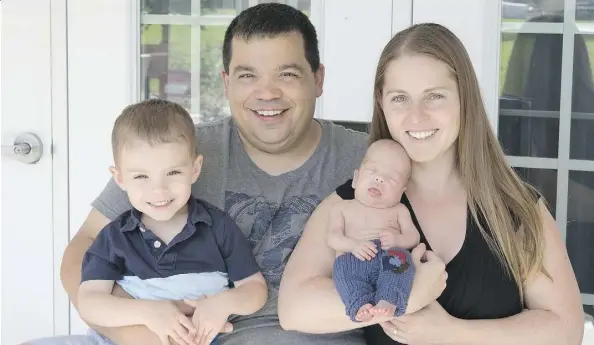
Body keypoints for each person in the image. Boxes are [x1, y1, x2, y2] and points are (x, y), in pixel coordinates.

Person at [21, 3, 434, 345]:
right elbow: (84, 249)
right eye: (247, 76)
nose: (267, 93)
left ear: (318, 79)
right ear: (225, 82)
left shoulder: (370, 161)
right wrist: (135, 332)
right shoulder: (177, 154)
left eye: (287, 75)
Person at [278, 23, 585, 345]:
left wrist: (450, 332)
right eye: (400, 99)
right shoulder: (356, 200)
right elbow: (295, 308)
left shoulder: (515, 207)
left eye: (434, 96)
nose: (417, 117)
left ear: (464, 98)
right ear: (381, 102)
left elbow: (565, 330)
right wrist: (407, 298)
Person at [74, 99, 268, 345]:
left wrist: (222, 304)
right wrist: (148, 312)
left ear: (195, 169)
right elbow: (90, 302)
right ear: (120, 178)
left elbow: (254, 289)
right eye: (141, 176)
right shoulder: (115, 237)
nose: (159, 190)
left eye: (173, 173)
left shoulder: (218, 227)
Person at [329, 139, 430, 322]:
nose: (379, 179)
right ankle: (359, 304)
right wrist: (353, 245)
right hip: (353, 258)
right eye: (372, 171)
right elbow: (333, 238)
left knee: (401, 261)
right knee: (341, 271)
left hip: (388, 254)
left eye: (390, 179)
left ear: (401, 191)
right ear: (356, 178)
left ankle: (389, 300)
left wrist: (398, 240)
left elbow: (413, 237)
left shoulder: (399, 210)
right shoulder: (342, 208)